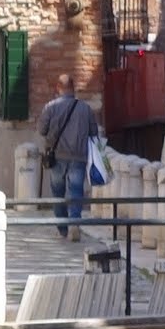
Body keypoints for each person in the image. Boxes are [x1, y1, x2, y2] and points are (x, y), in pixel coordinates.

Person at [37, 72, 96, 239]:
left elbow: (42, 130)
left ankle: (62, 229)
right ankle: (75, 223)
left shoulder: (50, 107)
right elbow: (93, 132)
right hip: (79, 156)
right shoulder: (85, 108)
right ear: (73, 88)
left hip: (56, 157)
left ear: (58, 88)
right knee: (76, 191)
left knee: (57, 192)